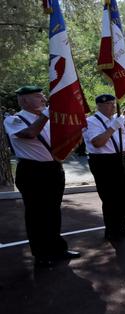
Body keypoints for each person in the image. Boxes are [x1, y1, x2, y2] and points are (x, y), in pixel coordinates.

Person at [4, 86, 81, 267]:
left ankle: (57, 248)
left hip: (53, 169)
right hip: (32, 171)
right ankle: (41, 254)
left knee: (53, 211)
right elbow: (30, 134)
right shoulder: (14, 119)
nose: (44, 99)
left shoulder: (46, 118)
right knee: (36, 214)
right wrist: (47, 115)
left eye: (43, 96)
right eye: (38, 97)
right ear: (24, 100)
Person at [83, 94, 125, 241]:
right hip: (104, 162)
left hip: (121, 159)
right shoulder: (91, 121)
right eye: (110, 104)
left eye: (114, 103)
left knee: (123, 197)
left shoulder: (115, 120)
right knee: (110, 197)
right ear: (100, 105)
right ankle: (111, 231)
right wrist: (113, 127)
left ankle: (122, 227)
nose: (114, 106)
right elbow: (97, 142)